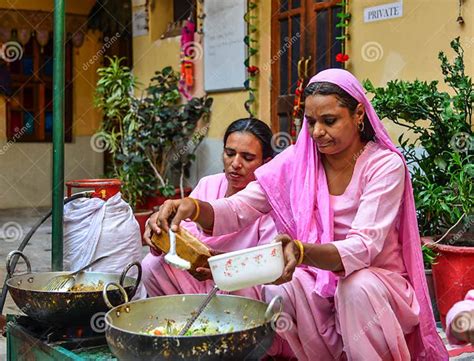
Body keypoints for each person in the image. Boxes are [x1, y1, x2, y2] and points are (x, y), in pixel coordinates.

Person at [151, 69, 448, 360]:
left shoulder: (383, 166)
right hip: (316, 280)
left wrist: (302, 252)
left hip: (376, 284)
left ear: (359, 114)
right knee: (284, 286)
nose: (318, 131)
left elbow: (363, 248)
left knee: (355, 286)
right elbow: (240, 208)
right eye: (310, 122)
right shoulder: (299, 161)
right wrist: (192, 207)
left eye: (329, 121)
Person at [142, 118, 278, 299]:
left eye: (247, 158)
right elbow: (184, 234)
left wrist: (223, 266)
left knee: (244, 288)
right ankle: (182, 320)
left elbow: (268, 264)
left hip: (237, 279)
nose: (235, 163)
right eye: (230, 153)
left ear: (266, 162)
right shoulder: (209, 184)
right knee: (152, 265)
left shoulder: (269, 202)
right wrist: (160, 230)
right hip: (196, 275)